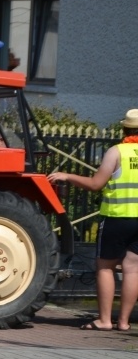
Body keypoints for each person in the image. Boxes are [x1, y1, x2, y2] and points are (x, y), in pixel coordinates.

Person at [47, 109, 138, 332]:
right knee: (133, 270)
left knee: (105, 268)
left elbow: (96, 183)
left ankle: (105, 320)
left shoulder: (116, 152)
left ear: (124, 129)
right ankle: (124, 322)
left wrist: (67, 176)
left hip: (117, 217)